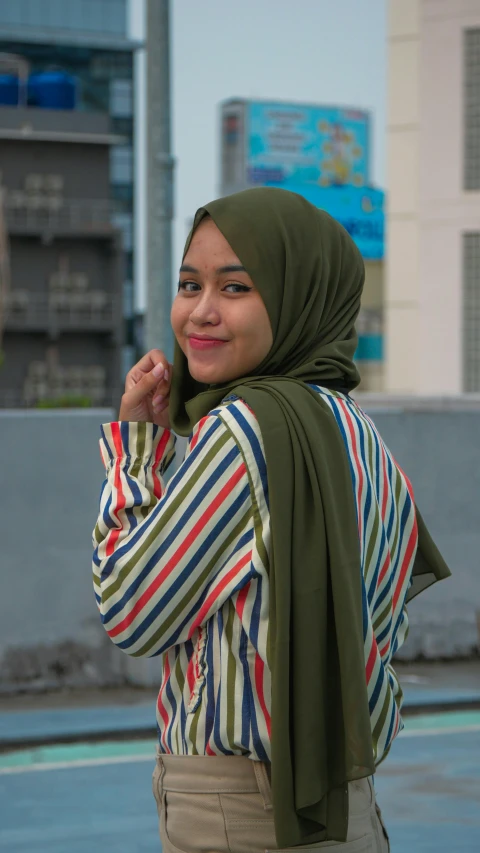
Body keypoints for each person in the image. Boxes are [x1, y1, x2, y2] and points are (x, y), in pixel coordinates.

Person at [92, 188, 450, 852]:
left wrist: (135, 451)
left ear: (297, 296)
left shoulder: (245, 428)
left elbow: (131, 610)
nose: (200, 311)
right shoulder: (358, 433)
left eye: (235, 287)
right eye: (188, 283)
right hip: (348, 805)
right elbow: (384, 625)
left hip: (238, 812)